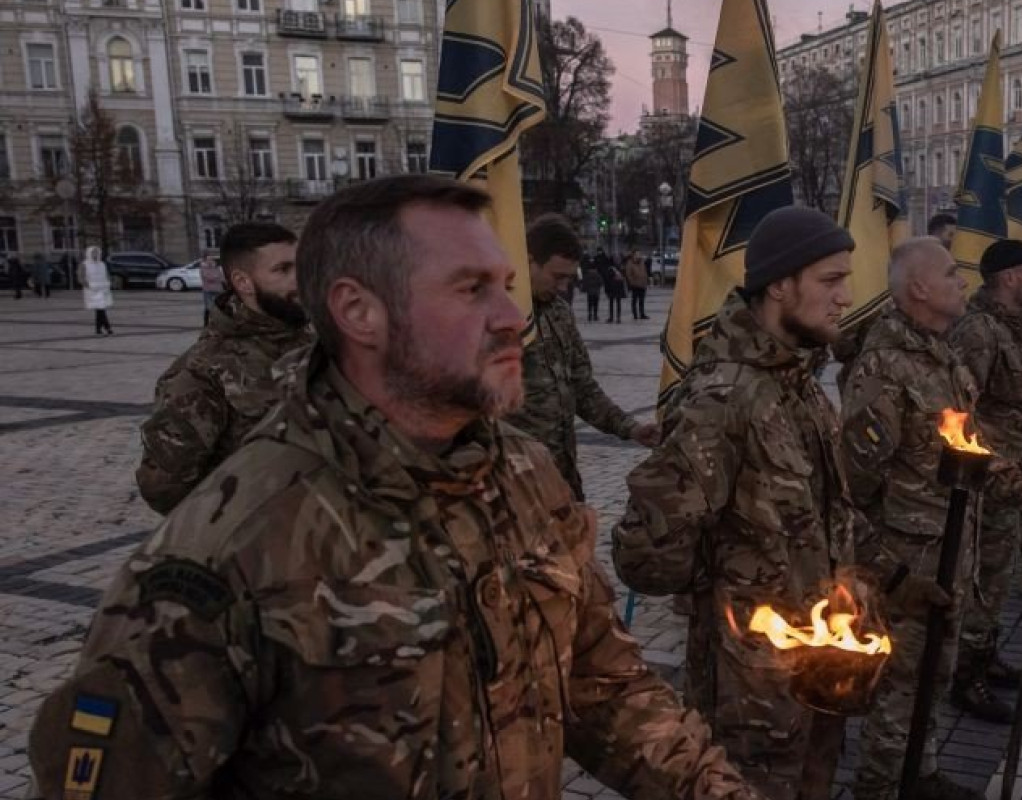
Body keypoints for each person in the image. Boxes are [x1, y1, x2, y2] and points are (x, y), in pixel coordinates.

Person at [32, 174, 761, 800]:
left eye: (506, 286)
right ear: (359, 311)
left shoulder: (524, 475)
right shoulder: (223, 551)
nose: (513, 320)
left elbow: (606, 687)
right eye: (471, 289)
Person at [612, 206, 860, 800]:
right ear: (779, 285)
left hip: (815, 667)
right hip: (751, 692)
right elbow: (645, 555)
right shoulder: (725, 396)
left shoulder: (797, 385)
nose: (846, 297)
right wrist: (725, 591)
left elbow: (823, 516)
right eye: (830, 281)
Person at [841, 236, 1022, 800]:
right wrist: (882, 568)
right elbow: (854, 485)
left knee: (937, 670)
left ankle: (923, 768)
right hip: (908, 558)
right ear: (918, 288)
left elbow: (967, 450)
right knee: (900, 681)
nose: (962, 282)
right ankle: (882, 786)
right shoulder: (882, 367)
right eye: (949, 274)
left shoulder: (943, 357)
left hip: (952, 543)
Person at [135, 222, 313, 514]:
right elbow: (164, 487)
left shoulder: (318, 344)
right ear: (243, 282)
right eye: (282, 270)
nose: (299, 280)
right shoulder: (202, 370)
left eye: (300, 266)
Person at [945, 240, 1022, 712]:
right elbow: (960, 411)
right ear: (1010, 276)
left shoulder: (1014, 326)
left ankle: (984, 655)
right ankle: (965, 676)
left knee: (999, 573)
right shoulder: (979, 331)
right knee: (983, 577)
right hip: (989, 477)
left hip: (1015, 472)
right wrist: (992, 463)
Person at [508, 215, 660, 501]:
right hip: (516, 486)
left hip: (562, 479)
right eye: (558, 276)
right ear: (529, 261)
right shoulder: (498, 317)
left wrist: (632, 429)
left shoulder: (560, 314)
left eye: (570, 277)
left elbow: (583, 388)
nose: (565, 287)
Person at [81, 246, 113, 336]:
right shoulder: (85, 264)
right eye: (93, 253)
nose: (95, 255)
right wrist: (89, 286)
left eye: (97, 253)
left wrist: (108, 284)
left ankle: (98, 329)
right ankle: (108, 327)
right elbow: (81, 278)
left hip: (102, 289)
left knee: (100, 310)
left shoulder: (102, 264)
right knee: (100, 309)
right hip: (92, 290)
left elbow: (106, 275)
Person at [198, 252, 225, 326]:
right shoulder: (203, 267)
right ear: (205, 259)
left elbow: (221, 277)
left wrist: (219, 278)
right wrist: (216, 277)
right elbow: (208, 278)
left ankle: (218, 322)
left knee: (219, 306)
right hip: (208, 290)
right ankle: (206, 323)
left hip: (218, 289)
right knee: (208, 307)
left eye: (211, 258)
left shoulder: (216, 267)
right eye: (208, 259)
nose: (210, 260)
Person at [624, 248, 651, 320]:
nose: (639, 255)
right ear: (633, 255)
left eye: (639, 254)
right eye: (637, 254)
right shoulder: (630, 263)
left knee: (641, 300)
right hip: (635, 285)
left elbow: (644, 271)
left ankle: (642, 314)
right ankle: (635, 314)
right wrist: (632, 282)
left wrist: (646, 279)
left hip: (642, 284)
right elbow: (628, 274)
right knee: (634, 300)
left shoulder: (642, 262)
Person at [602, 251, 627, 323]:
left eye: (618, 258)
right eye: (615, 258)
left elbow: (624, 277)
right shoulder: (610, 267)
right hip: (612, 287)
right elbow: (607, 278)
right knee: (611, 302)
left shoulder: (621, 267)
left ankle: (618, 317)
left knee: (618, 303)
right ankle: (611, 317)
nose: (617, 260)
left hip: (618, 287)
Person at [580, 255, 604, 322]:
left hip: (589, 292)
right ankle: (595, 315)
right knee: (596, 304)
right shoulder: (598, 275)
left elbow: (585, 283)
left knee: (590, 304)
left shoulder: (587, 275)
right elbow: (601, 282)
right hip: (596, 292)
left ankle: (590, 315)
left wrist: (584, 289)